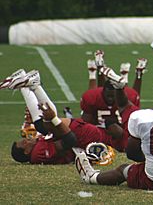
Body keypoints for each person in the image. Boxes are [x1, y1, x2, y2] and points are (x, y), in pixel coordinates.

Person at [4, 69, 133, 164]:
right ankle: (32, 86)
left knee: (43, 125)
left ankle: (30, 86)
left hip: (85, 135)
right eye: (25, 142)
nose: (28, 139)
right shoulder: (37, 154)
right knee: (43, 125)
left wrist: (52, 120)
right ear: (26, 151)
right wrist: (53, 120)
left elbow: (68, 140)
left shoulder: (37, 152)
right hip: (86, 136)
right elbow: (68, 140)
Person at [74, 84, 153, 190]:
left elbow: (132, 154)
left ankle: (92, 177)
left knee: (123, 170)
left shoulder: (142, 117)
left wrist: (150, 158)